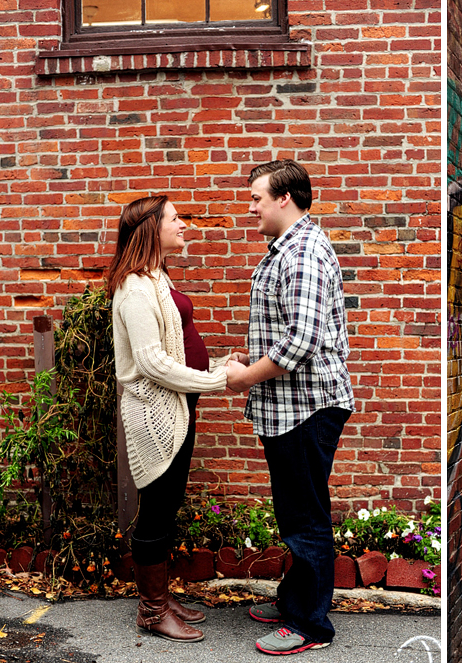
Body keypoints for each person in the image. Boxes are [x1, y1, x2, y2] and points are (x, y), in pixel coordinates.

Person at [226, 159, 355, 656]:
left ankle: (310, 626)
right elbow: (287, 330)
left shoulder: (301, 251)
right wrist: (250, 357)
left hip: (306, 408)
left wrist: (245, 376)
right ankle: (296, 600)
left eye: (257, 197)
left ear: (285, 198)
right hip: (289, 406)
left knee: (305, 518)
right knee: (297, 511)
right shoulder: (288, 247)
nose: (251, 206)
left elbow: (300, 342)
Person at [107, 195, 247, 643]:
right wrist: (220, 380)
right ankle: (151, 612)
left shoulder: (157, 277)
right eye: (174, 219)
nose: (183, 224)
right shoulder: (133, 287)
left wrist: (219, 363)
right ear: (151, 228)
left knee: (166, 511)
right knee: (156, 514)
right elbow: (151, 362)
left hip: (177, 408)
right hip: (154, 416)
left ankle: (161, 599)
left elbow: (176, 347)